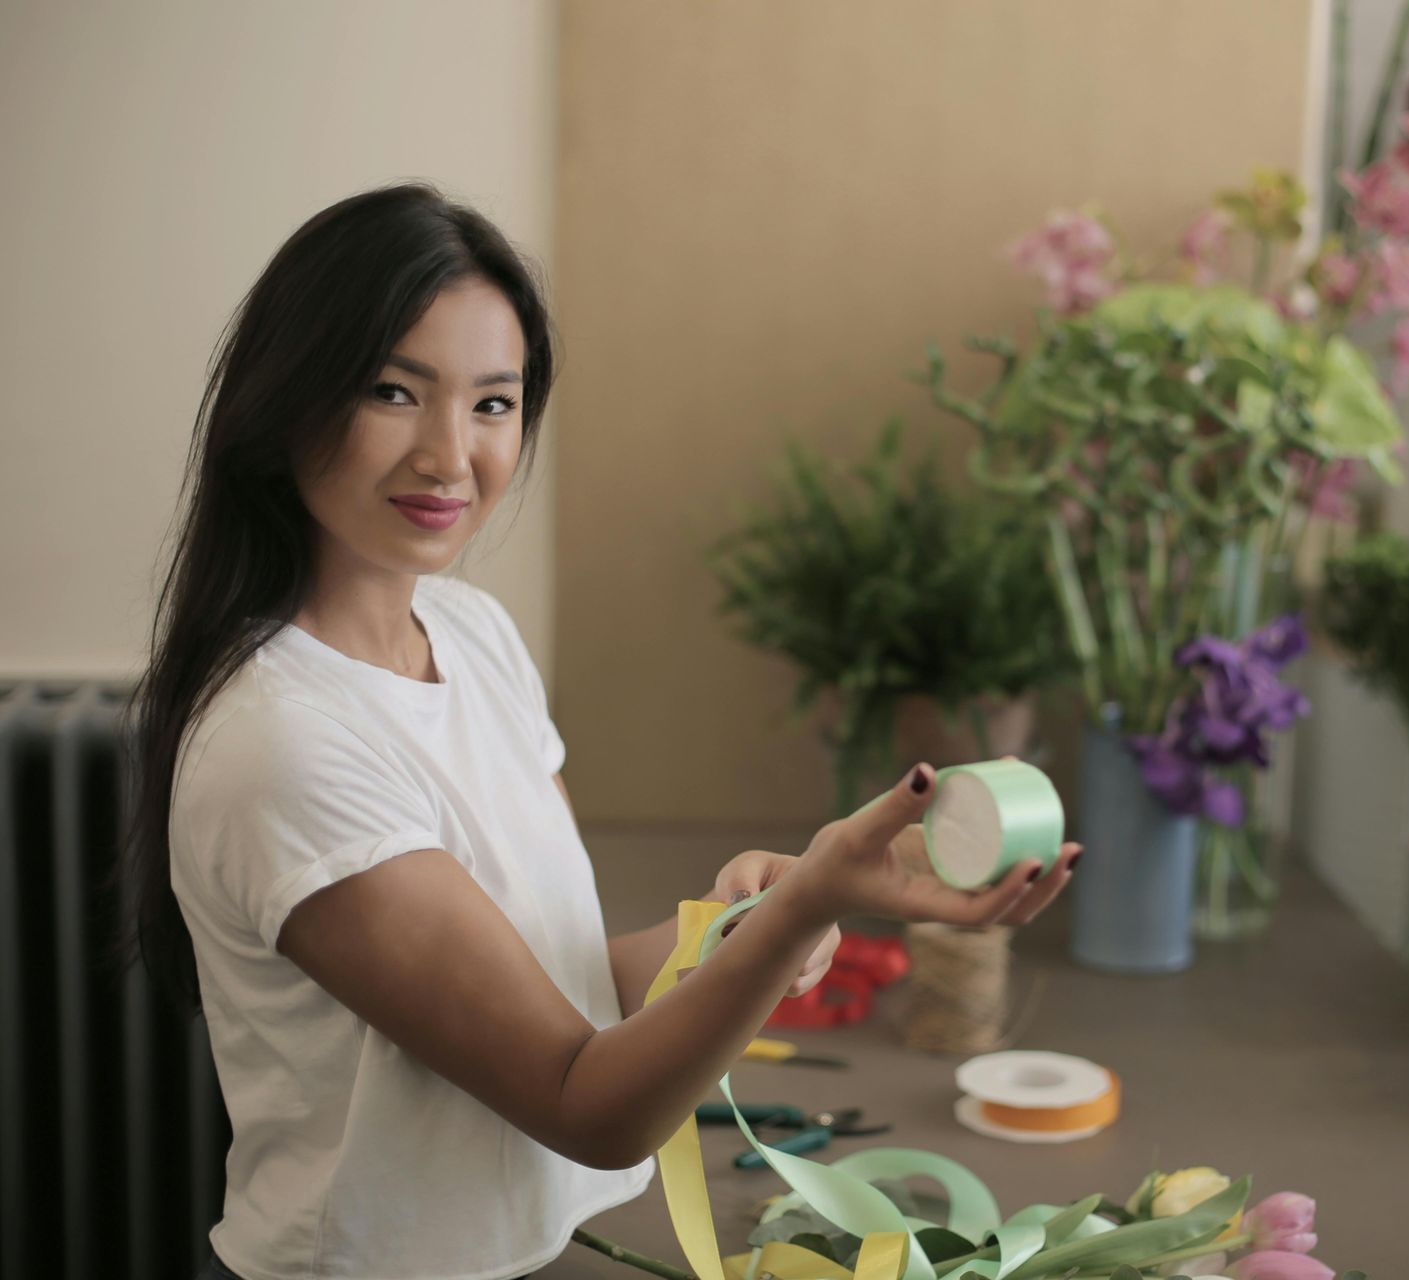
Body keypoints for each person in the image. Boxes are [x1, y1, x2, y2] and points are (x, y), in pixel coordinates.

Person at [110, 181, 1080, 1280]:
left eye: (492, 403)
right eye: (394, 391)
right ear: (286, 401)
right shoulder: (283, 744)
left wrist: (770, 912)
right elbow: (587, 1102)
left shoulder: (470, 634)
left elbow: (576, 983)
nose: (448, 455)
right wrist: (808, 904)